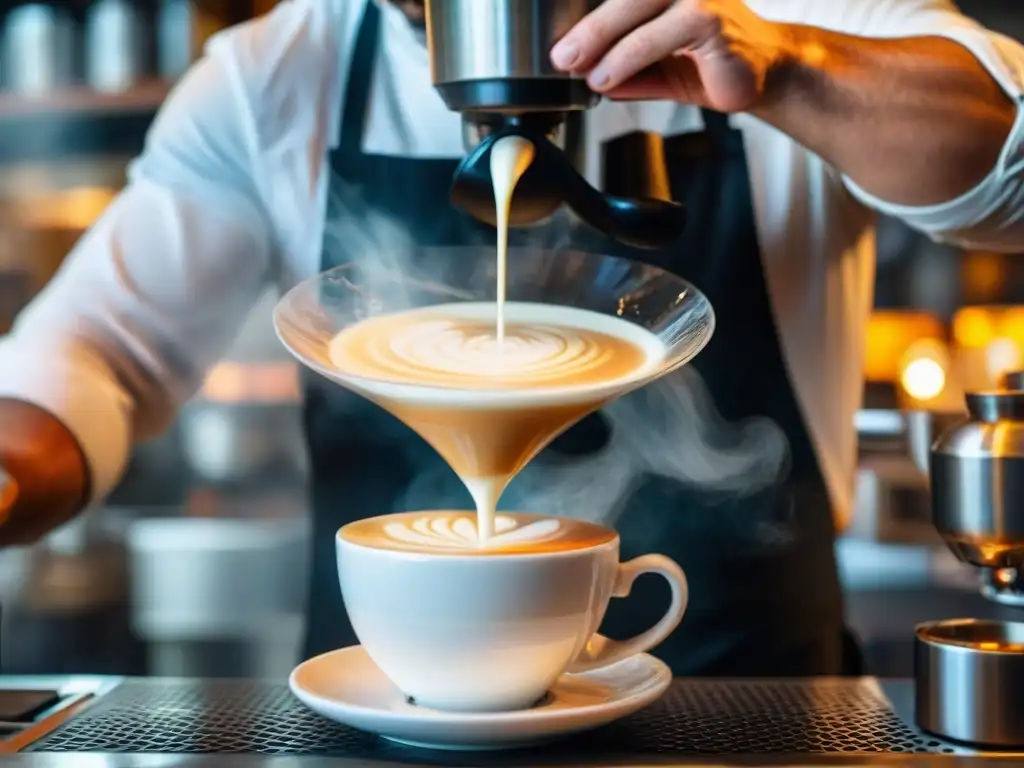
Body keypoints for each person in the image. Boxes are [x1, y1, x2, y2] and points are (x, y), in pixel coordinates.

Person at [0, 0, 1021, 676]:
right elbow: (98, 356)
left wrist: (789, 70)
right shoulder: (273, 73)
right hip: (390, 723)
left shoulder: (785, 14)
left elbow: (1009, 167)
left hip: (746, 708)